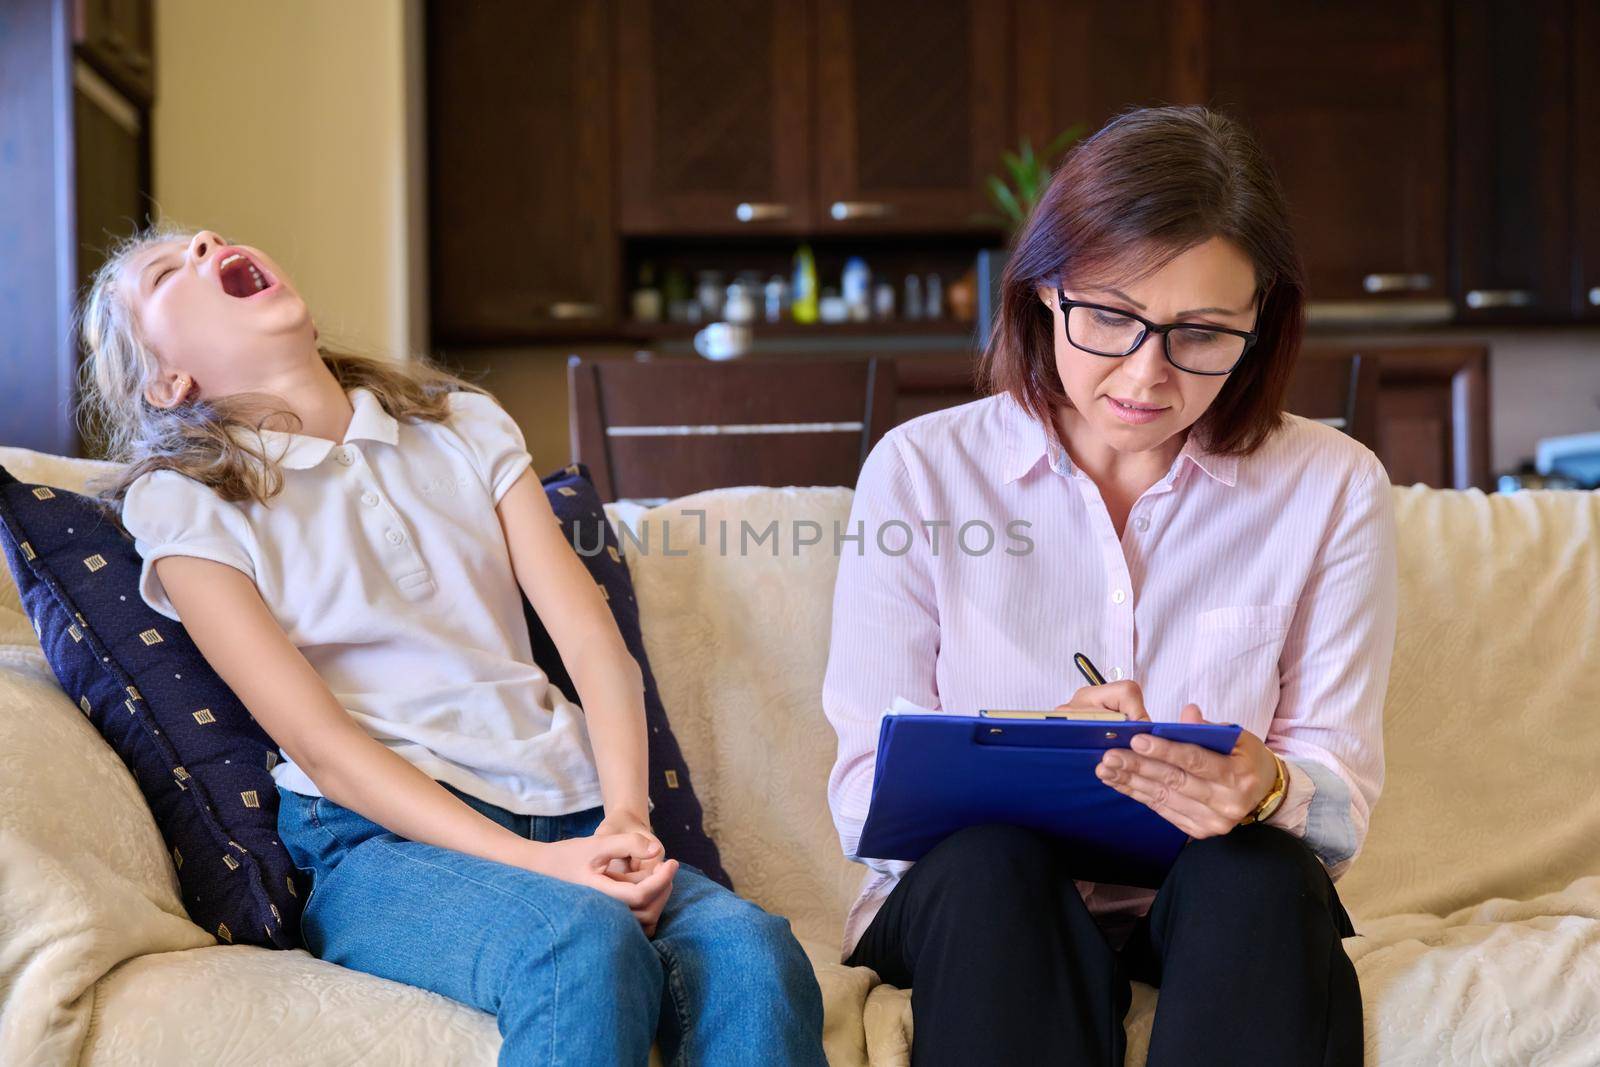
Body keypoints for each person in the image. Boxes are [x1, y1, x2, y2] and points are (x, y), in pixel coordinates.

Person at [78, 223, 826, 1067]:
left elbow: (592, 643)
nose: (208, 243)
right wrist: (538, 866)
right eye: (170, 271)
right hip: (380, 843)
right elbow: (322, 748)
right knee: (576, 939)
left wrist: (624, 814)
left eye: (208, 241)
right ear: (168, 381)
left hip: (574, 803)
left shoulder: (461, 424)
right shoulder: (183, 502)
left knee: (755, 950)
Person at [823, 105, 1394, 1066]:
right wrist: (1024, 753)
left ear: (1263, 327)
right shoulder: (919, 470)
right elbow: (863, 799)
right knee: (994, 865)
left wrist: (1269, 785)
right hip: (979, 901)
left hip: (1205, 899)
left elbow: (1337, 808)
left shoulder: (1332, 485)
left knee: (1259, 870)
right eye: (1110, 318)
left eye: (1202, 335)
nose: (1145, 375)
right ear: (1046, 293)